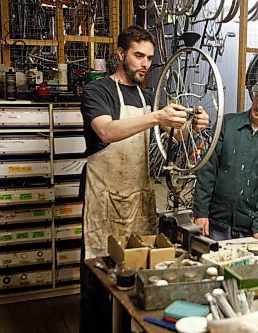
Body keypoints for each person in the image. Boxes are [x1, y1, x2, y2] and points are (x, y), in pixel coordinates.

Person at [79, 25, 208, 333]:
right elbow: (107, 131)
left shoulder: (147, 95)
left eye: (149, 58)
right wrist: (156, 116)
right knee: (99, 278)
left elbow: (173, 132)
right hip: (104, 201)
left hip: (137, 198)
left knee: (138, 274)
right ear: (121, 54)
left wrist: (195, 125)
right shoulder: (98, 92)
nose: (145, 64)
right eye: (138, 56)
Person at [192, 73, 258, 243]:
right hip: (216, 225)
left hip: (252, 231)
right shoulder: (228, 124)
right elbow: (208, 169)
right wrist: (200, 212)